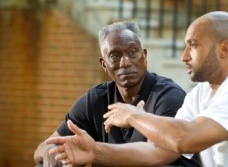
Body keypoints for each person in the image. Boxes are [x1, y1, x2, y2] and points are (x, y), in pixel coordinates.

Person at [46, 11, 228, 167]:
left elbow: (184, 138)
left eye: (193, 46)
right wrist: (95, 151)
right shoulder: (201, 94)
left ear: (224, 49)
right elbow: (159, 151)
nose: (184, 56)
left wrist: (134, 115)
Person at [33, 21, 201, 167]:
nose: (125, 62)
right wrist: (52, 152)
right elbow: (42, 148)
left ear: (144, 56)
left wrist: (93, 152)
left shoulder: (168, 97)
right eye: (115, 55)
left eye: (132, 52)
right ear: (104, 64)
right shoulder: (95, 100)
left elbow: (153, 156)